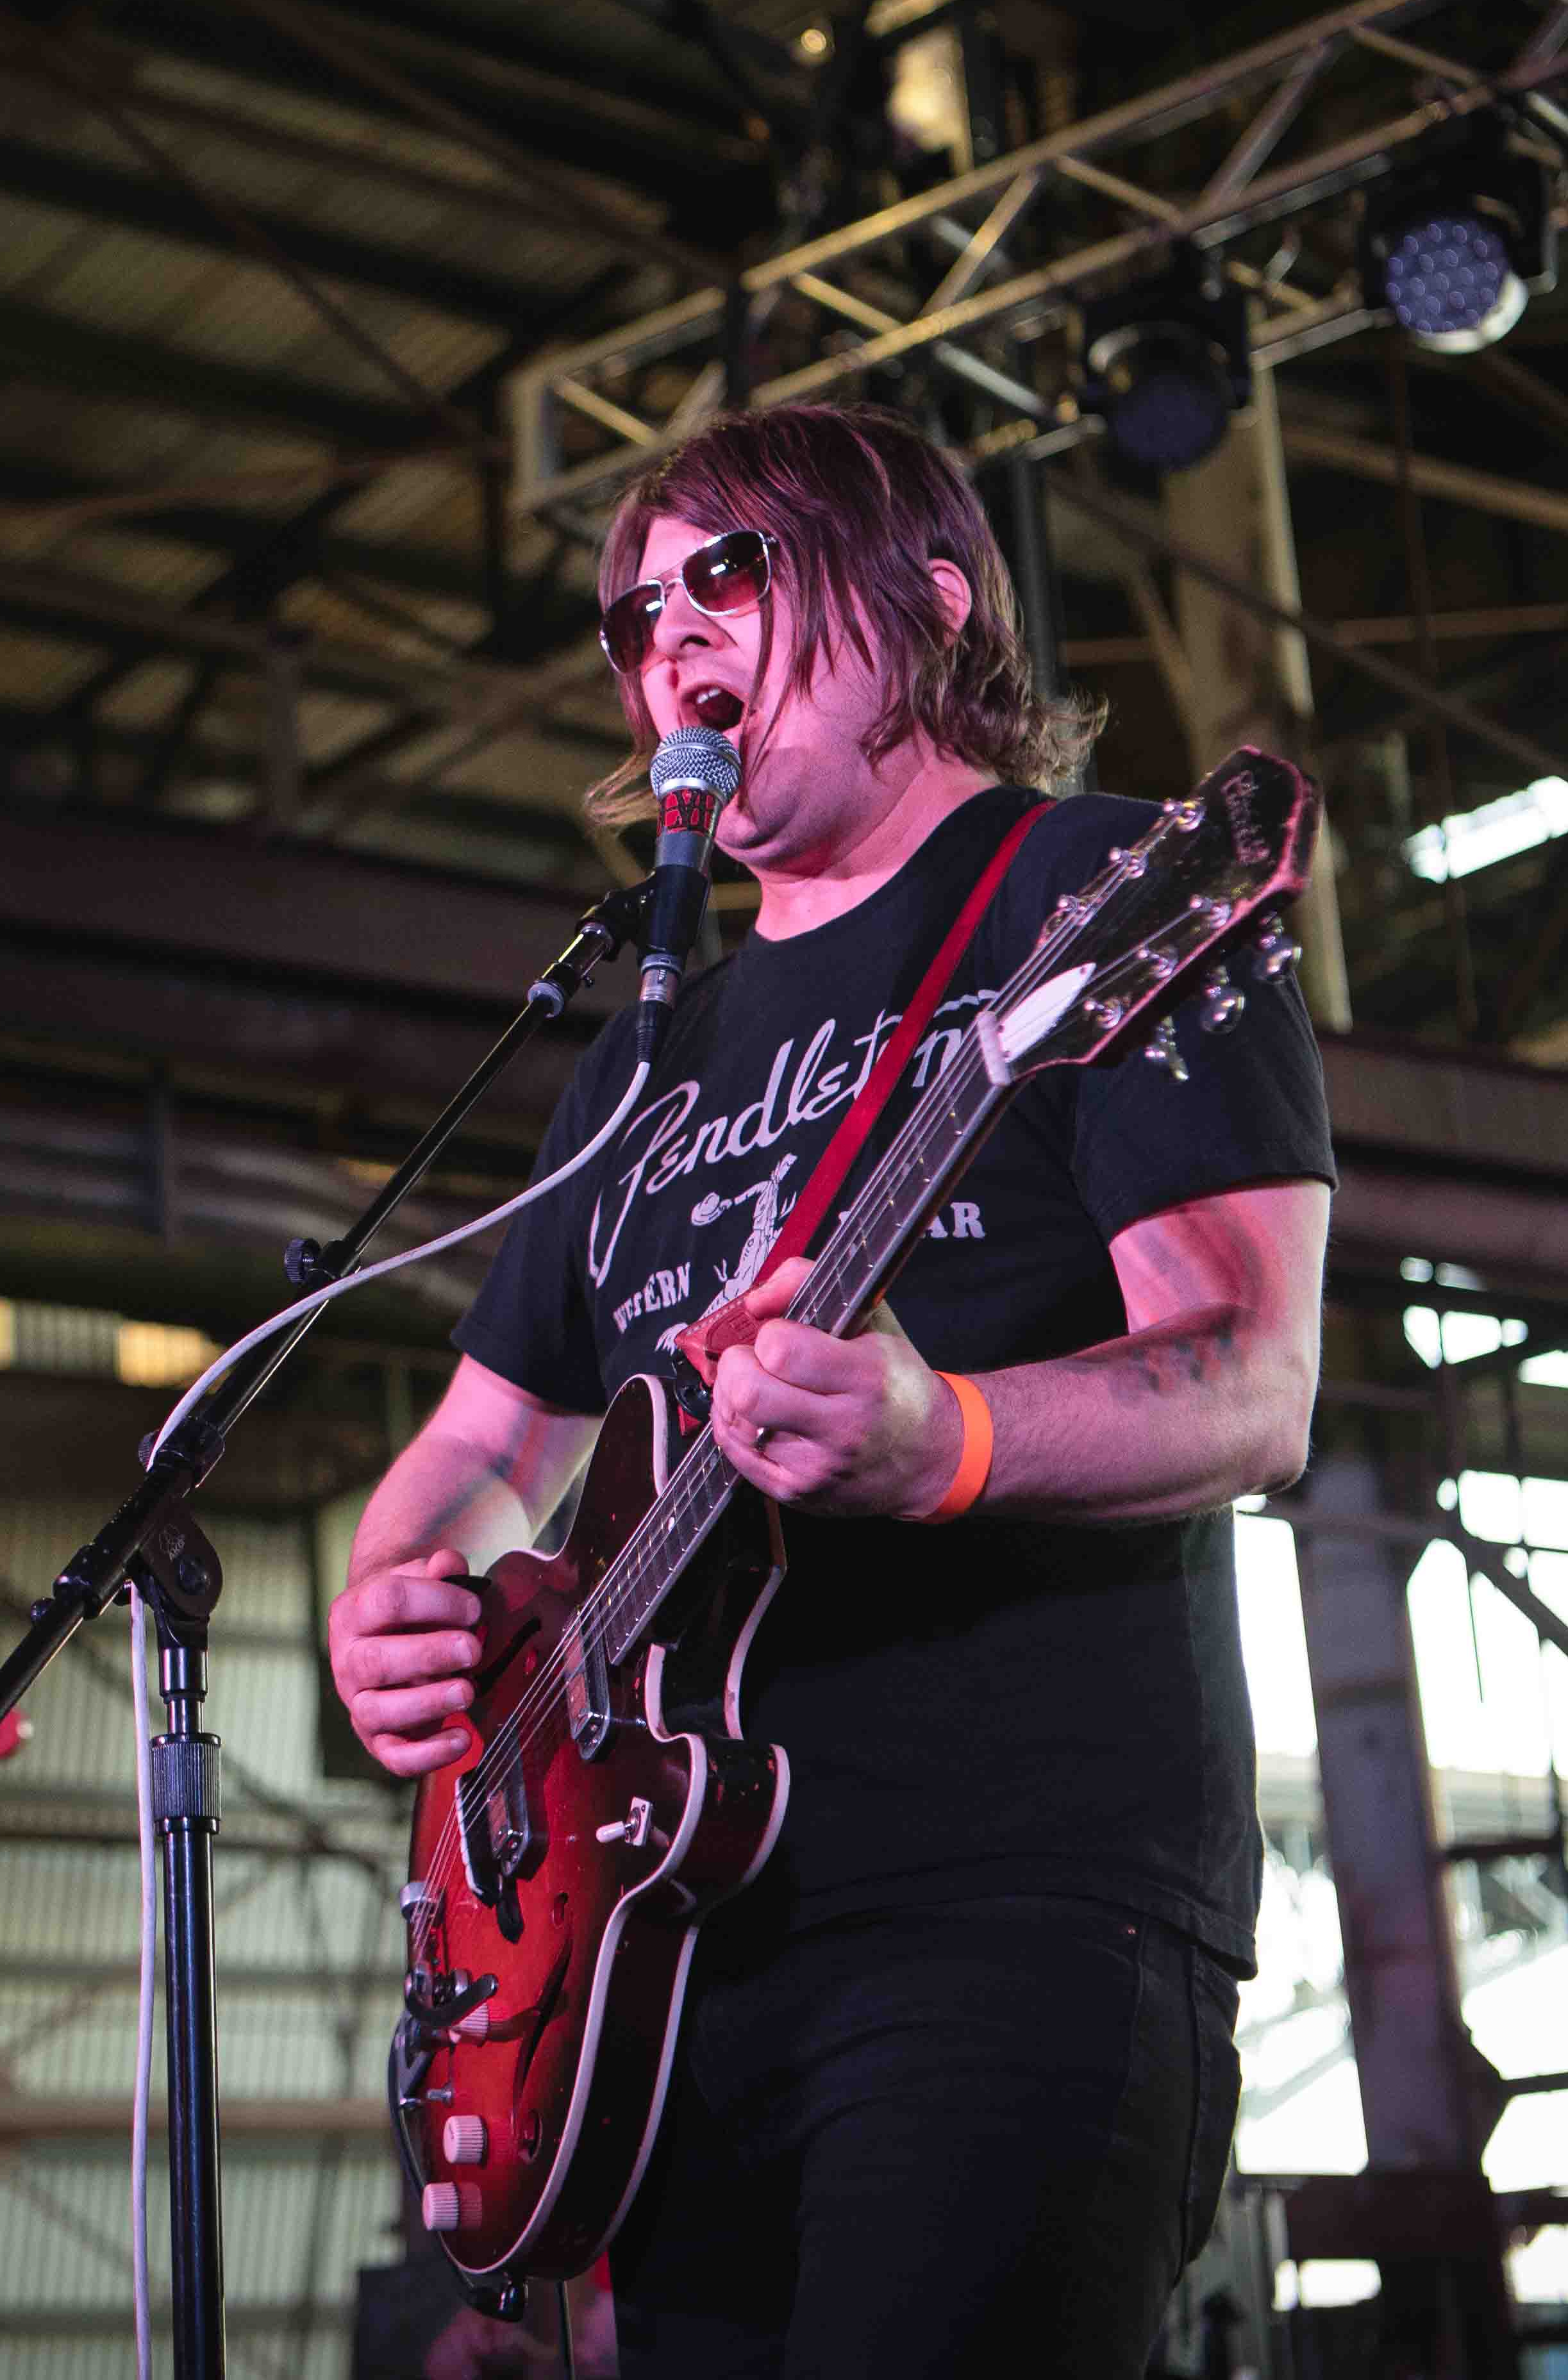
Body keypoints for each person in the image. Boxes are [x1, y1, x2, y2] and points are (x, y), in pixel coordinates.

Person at [326, 403, 1333, 2379]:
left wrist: (938, 1437)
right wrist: (407, 1610)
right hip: (657, 1949)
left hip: (1010, 1902)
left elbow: (1254, 1383)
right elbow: (480, 1446)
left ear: (927, 600)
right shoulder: (645, 1051)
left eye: (730, 574)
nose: (667, 638)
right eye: (631, 615)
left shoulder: (1095, 893)